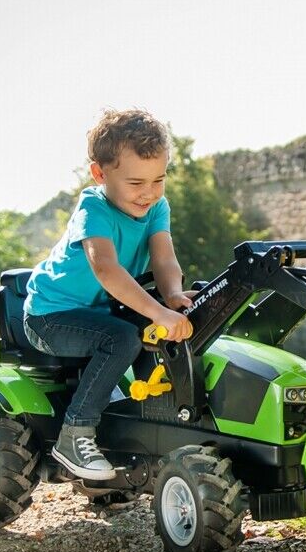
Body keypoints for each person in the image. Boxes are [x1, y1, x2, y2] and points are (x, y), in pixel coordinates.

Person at [23, 109, 193, 480]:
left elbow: (164, 258)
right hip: (51, 316)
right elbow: (106, 269)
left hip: (99, 310)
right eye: (136, 183)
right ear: (101, 174)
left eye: (158, 180)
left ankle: (142, 424)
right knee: (120, 337)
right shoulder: (93, 208)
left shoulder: (155, 207)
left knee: (154, 330)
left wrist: (174, 296)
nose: (148, 193)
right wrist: (158, 312)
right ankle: (75, 433)